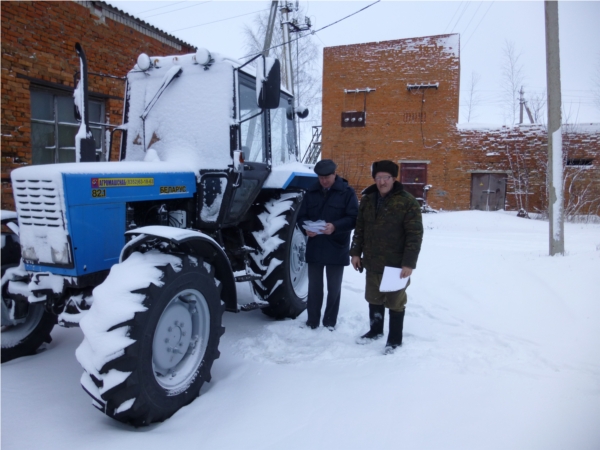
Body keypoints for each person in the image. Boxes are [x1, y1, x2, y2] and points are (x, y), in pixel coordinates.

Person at [350, 160, 423, 353]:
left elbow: (414, 235)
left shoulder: (407, 202)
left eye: (386, 178)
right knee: (374, 297)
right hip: (372, 260)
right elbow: (360, 227)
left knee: (395, 301)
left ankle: (394, 339)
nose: (382, 182)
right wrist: (356, 252)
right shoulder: (368, 199)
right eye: (378, 177)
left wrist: (409, 263)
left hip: (396, 264)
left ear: (393, 178)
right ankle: (375, 331)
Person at [298, 159, 358, 330]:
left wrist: (335, 227)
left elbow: (354, 219)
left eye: (327, 177)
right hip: (315, 246)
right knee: (314, 288)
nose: (323, 181)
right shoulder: (311, 192)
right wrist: (306, 229)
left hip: (336, 246)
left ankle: (330, 322)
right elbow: (301, 216)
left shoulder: (347, 192)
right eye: (320, 177)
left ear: (334, 174)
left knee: (334, 289)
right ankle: (312, 321)